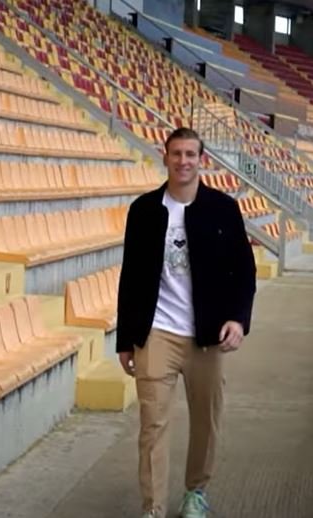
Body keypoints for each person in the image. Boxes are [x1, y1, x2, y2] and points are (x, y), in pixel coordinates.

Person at [116, 127, 257, 518]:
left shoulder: (223, 209)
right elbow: (130, 277)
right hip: (156, 332)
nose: (183, 161)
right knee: (153, 425)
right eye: (176, 153)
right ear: (165, 157)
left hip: (206, 336)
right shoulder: (143, 210)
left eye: (190, 154)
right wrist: (125, 339)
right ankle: (153, 507)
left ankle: (195, 492)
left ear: (201, 160)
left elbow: (244, 271)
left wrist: (238, 319)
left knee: (206, 421)